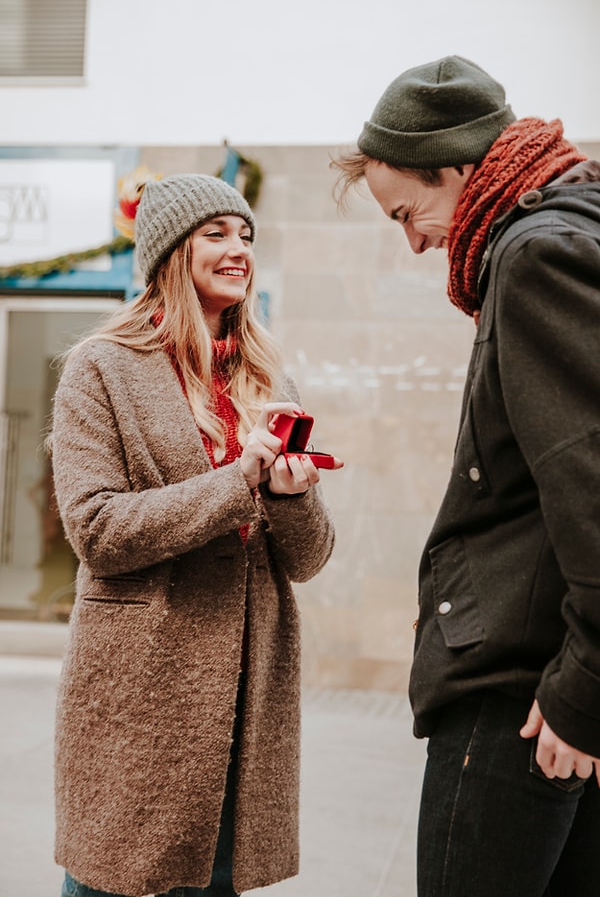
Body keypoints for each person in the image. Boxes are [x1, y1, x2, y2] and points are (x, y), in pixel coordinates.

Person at [331, 55, 600, 896]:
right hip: (547, 672)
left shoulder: (539, 254)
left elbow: (587, 484)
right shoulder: (568, 229)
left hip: (518, 690)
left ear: (456, 165)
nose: (413, 241)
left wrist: (583, 687)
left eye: (410, 211)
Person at [50, 173, 343, 897]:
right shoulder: (102, 368)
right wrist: (237, 480)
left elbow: (307, 559)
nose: (238, 248)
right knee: (115, 879)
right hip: (140, 689)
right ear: (170, 251)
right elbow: (96, 529)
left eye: (245, 234)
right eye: (216, 233)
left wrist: (288, 495)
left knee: (213, 881)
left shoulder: (268, 377)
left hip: (246, 689)